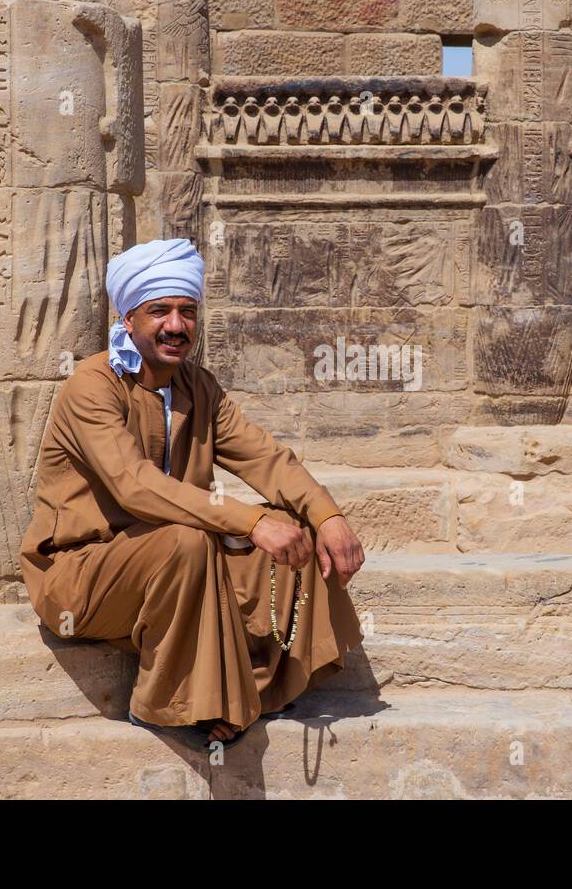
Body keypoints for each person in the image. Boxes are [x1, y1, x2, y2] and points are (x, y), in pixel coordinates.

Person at [20, 238, 366, 749]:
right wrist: (248, 521)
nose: (176, 326)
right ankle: (168, 704)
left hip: (174, 563)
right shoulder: (92, 385)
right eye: (159, 311)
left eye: (187, 312)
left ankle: (252, 692)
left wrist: (328, 514)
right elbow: (135, 487)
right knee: (189, 540)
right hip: (81, 574)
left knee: (292, 527)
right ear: (129, 317)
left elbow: (265, 458)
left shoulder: (198, 385)